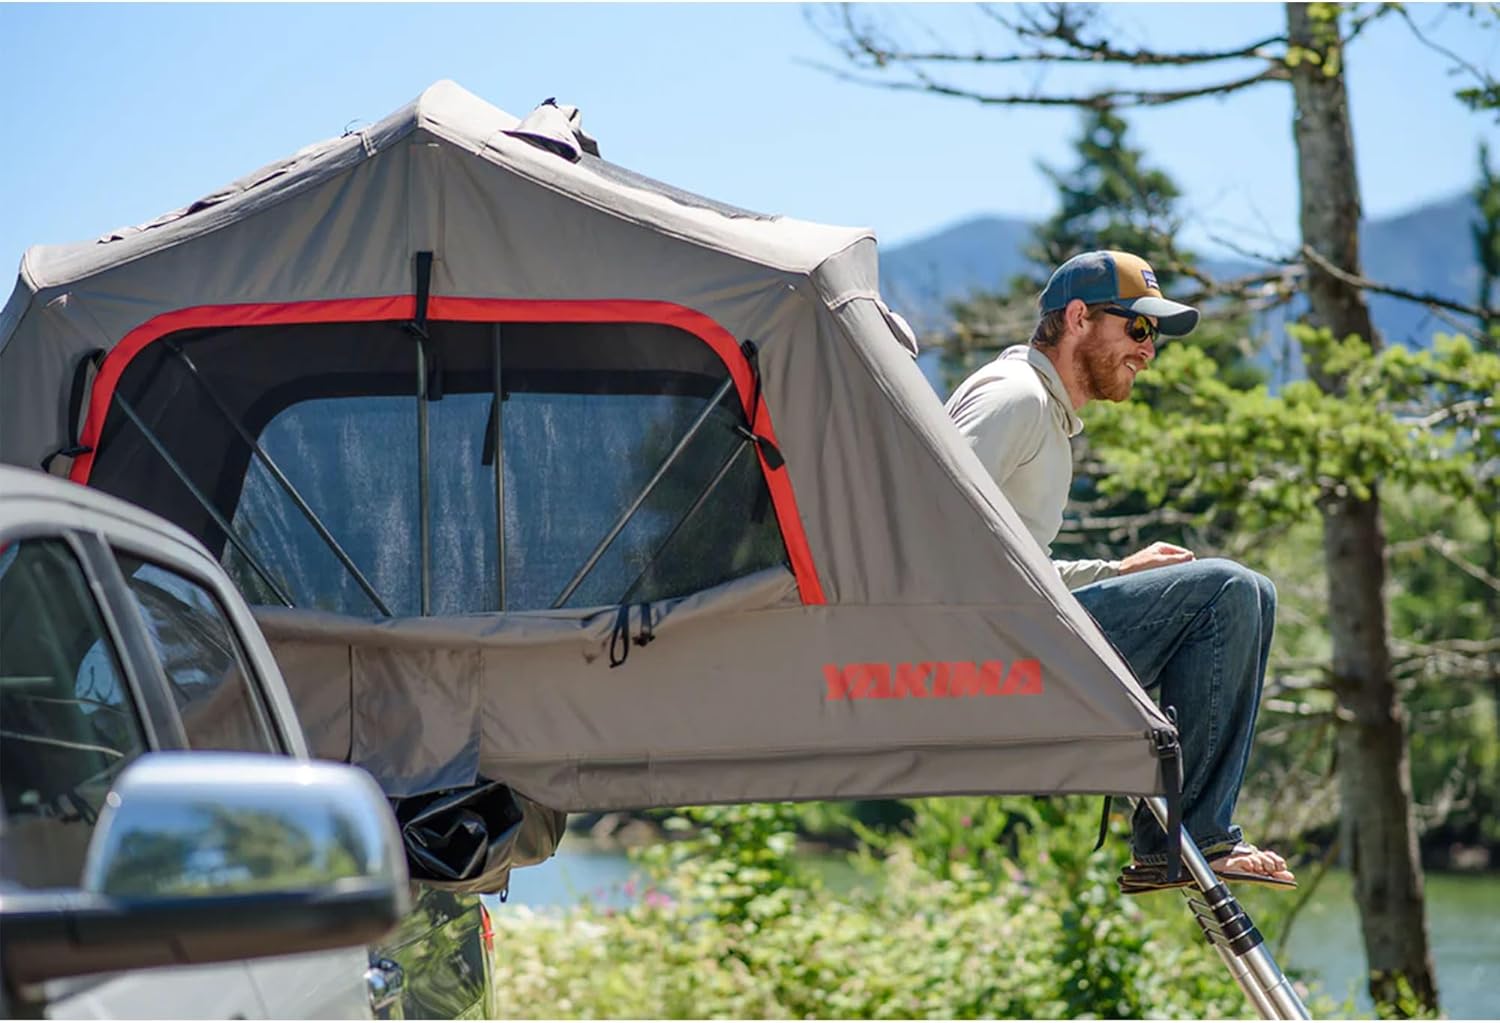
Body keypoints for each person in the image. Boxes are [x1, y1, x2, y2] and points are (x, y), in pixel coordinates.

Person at [946, 250, 1295, 893]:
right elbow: (928, 518)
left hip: (1006, 638)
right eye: (1137, 327)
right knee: (1228, 590)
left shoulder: (1041, 410)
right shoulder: (1016, 396)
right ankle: (1194, 838)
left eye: (1153, 335)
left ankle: (1176, 839)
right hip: (980, 659)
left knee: (1255, 595)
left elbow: (997, 555)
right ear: (1078, 318)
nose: (1149, 350)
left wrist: (1114, 571)